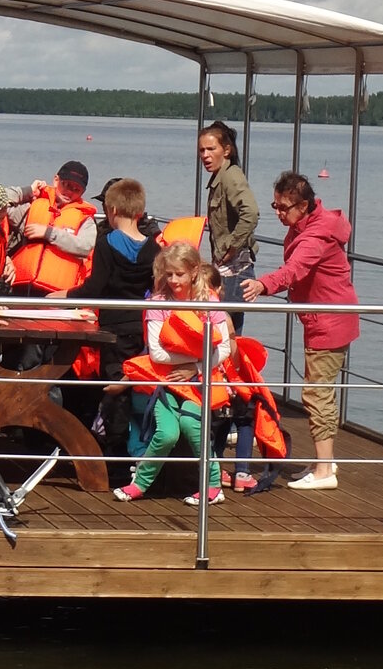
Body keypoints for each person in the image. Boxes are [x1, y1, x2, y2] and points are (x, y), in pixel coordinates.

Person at [241, 171, 359, 490]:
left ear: (303, 205)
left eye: (283, 207)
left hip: (328, 320)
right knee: (319, 391)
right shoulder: (304, 225)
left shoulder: (316, 234)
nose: (278, 213)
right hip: (323, 317)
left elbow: (296, 269)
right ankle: (325, 460)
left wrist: (263, 284)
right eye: (275, 205)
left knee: (316, 393)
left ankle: (324, 472)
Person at [113, 242, 233, 506]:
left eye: (179, 274)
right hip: (166, 383)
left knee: (192, 426)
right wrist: (196, 358)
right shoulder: (157, 303)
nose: (174, 280)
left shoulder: (210, 301)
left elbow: (224, 347)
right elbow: (157, 353)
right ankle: (139, 484)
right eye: (169, 274)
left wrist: (195, 367)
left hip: (200, 380)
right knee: (167, 433)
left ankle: (213, 486)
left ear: (193, 272)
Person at [72, 178, 161, 377]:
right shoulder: (153, 248)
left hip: (112, 325)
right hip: (139, 327)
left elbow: (94, 289)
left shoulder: (106, 244)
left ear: (111, 210)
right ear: (139, 212)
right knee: (132, 376)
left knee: (112, 376)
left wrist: (65, 296)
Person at [198, 121, 259, 328]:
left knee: (227, 328)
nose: (205, 155)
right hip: (226, 268)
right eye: (202, 150)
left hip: (235, 269)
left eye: (211, 149)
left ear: (226, 150)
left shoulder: (231, 176)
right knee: (222, 325)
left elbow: (250, 212)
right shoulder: (219, 177)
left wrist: (232, 247)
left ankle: (231, 361)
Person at [8, 161, 98, 295]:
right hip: (20, 287)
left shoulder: (85, 219)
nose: (69, 192)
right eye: (66, 185)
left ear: (82, 192)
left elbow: (87, 247)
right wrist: (28, 191)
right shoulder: (33, 206)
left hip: (56, 295)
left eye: (76, 189)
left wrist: (49, 233)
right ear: (56, 180)